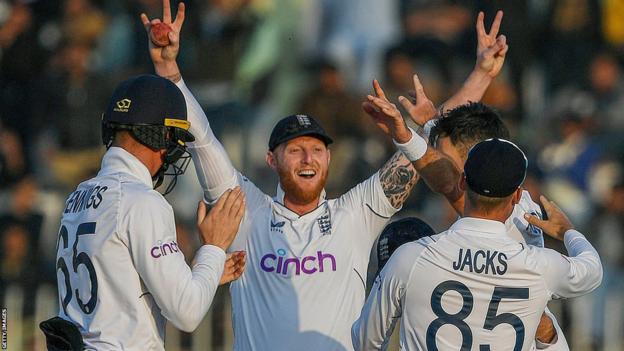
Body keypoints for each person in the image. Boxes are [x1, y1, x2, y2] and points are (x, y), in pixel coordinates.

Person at [140, 2, 507, 349]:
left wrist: (480, 76)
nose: (307, 158)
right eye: (295, 149)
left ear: (328, 159)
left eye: (316, 149)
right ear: (271, 159)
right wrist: (169, 71)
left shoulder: (355, 214)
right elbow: (202, 139)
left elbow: (423, 143)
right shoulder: (247, 212)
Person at [39, 74, 246, 350]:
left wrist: (200, 275)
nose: (172, 150)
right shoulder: (142, 201)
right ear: (158, 135)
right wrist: (215, 247)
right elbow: (187, 312)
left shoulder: (78, 195)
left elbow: (120, 288)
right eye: (172, 138)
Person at [366, 86, 569, 348]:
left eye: (444, 157)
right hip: (524, 327)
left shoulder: (501, 210)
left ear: (478, 162)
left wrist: (406, 135)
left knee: (403, 242)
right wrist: (431, 125)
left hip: (512, 328)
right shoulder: (511, 201)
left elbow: (448, 182)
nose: (435, 159)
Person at [352, 138, 603, 350]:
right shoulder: (537, 266)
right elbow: (592, 270)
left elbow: (365, 341)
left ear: (463, 182)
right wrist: (567, 231)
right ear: (516, 196)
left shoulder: (411, 257)